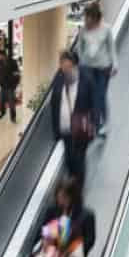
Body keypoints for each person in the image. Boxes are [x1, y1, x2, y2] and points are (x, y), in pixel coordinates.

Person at [36, 177, 100, 257]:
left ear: (72, 197)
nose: (60, 201)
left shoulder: (86, 215)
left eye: (64, 197)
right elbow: (43, 234)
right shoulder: (52, 212)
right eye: (59, 197)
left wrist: (73, 251)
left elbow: (90, 240)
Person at [47, 50, 97, 185]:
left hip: (81, 129)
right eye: (63, 66)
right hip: (66, 130)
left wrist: (94, 124)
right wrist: (55, 130)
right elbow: (54, 105)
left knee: (79, 159)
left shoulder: (86, 80)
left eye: (68, 66)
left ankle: (78, 188)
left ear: (75, 65)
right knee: (69, 159)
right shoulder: (59, 79)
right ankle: (73, 182)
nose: (65, 69)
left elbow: (94, 104)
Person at [75, 2, 118, 136]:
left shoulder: (106, 29)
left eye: (88, 17)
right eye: (85, 17)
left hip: (103, 68)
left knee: (100, 95)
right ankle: (94, 122)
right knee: (90, 97)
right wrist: (81, 62)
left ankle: (104, 123)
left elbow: (111, 48)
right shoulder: (83, 30)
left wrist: (115, 64)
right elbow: (79, 48)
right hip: (87, 68)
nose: (86, 19)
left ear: (95, 17)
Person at [0, 49, 19, 122]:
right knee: (1, 101)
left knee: (11, 102)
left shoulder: (13, 62)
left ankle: (13, 117)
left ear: (2, 55)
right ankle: (3, 113)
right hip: (2, 86)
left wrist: (15, 85)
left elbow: (17, 74)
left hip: (10, 86)